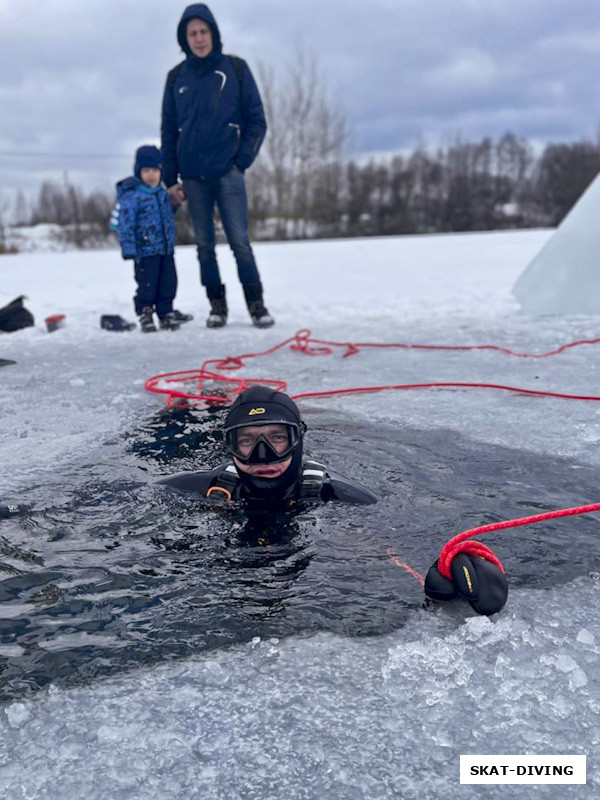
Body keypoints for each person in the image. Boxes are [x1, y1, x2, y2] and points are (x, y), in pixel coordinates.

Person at [161, 4, 274, 330]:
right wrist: (170, 178)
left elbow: (257, 121)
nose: (198, 38)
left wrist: (241, 162)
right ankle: (217, 308)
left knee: (240, 241)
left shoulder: (236, 69)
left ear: (214, 33)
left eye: (203, 32)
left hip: (228, 173)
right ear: (185, 39)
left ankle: (257, 306)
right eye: (192, 33)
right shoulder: (175, 79)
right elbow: (168, 131)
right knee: (204, 247)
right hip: (193, 176)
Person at [159, 385, 378, 506]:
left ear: (298, 439)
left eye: (277, 438)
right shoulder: (207, 486)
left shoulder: (338, 494)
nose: (263, 455)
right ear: (230, 446)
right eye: (246, 441)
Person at [112, 145, 193, 333]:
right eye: (146, 170)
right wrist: (129, 248)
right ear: (138, 172)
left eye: (155, 170)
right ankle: (145, 313)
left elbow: (167, 214)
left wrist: (177, 201)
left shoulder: (162, 194)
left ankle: (166, 313)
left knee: (168, 283)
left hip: (165, 249)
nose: (151, 175)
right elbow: (126, 224)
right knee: (147, 285)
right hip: (145, 251)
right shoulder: (133, 197)